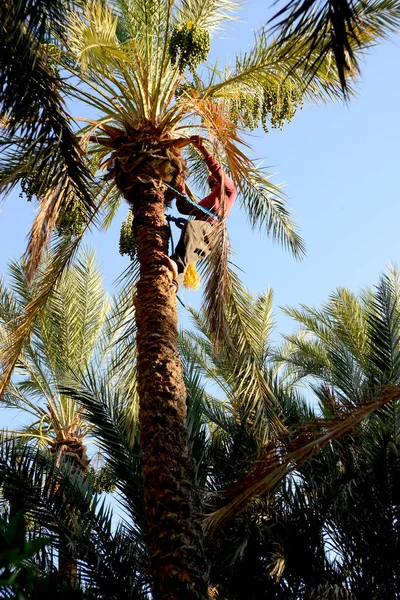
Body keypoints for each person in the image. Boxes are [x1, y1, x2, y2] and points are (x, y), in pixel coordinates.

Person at [164, 136, 237, 290]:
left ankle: (175, 264)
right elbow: (184, 208)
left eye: (213, 176)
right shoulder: (206, 201)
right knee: (186, 255)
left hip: (212, 232)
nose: (210, 176)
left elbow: (217, 170)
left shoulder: (229, 191)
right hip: (202, 234)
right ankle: (174, 284)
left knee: (191, 227)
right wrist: (180, 181)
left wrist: (202, 149)